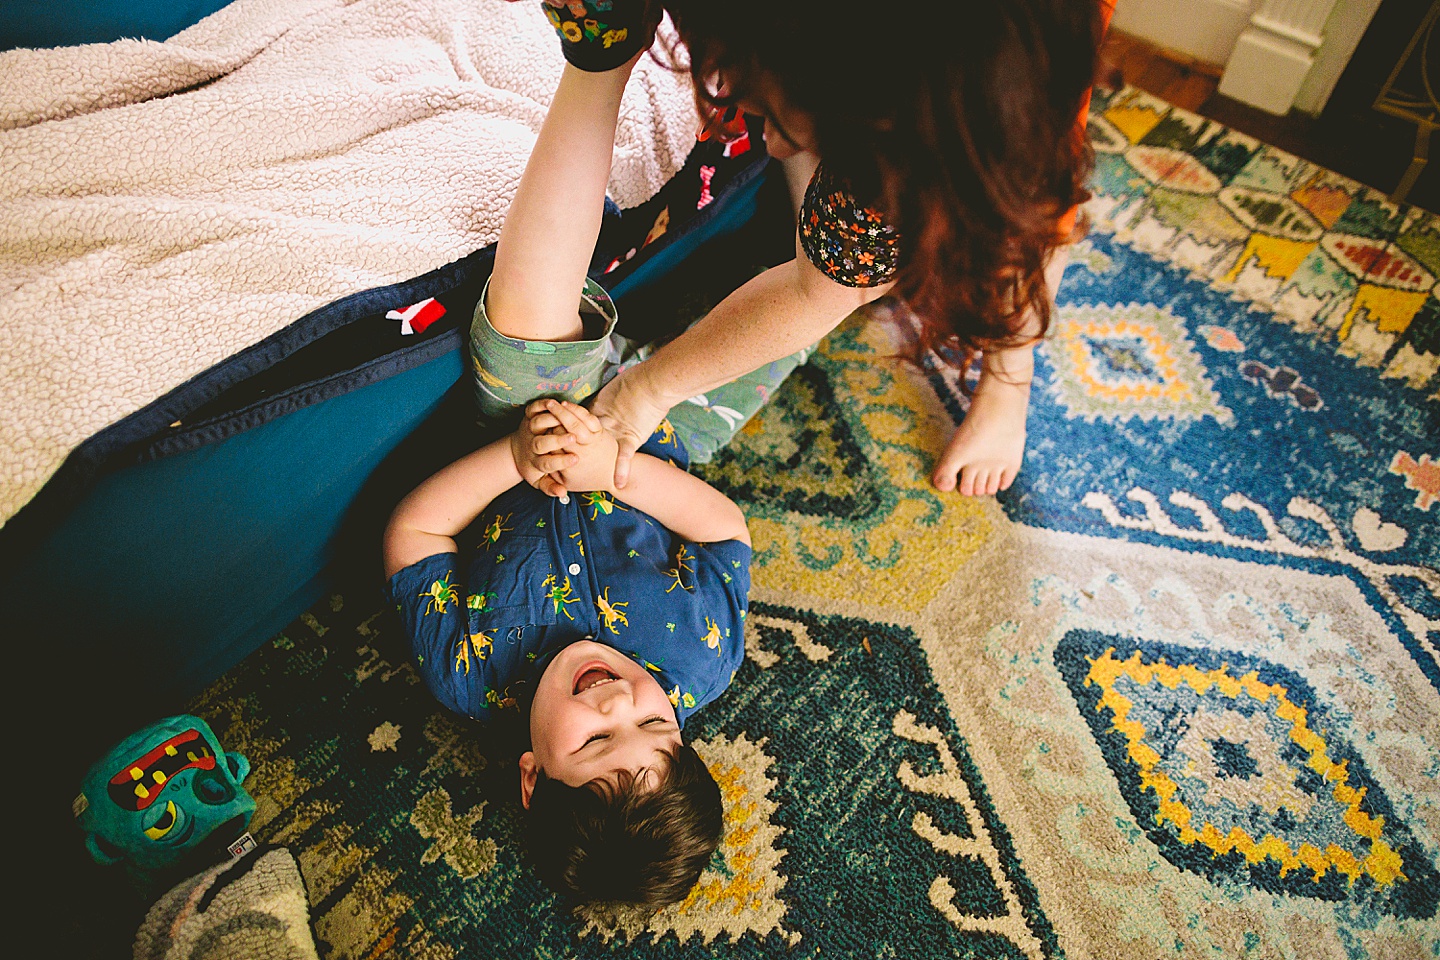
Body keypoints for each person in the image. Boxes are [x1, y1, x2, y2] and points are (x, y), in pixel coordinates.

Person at [382, 51, 792, 906]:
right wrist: (624, 470)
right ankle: (810, 141)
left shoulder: (469, 674)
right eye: (653, 727)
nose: (621, 703)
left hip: (527, 427)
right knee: (785, 324)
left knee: (521, 322)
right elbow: (723, 530)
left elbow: (412, 534)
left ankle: (597, 56)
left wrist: (517, 461)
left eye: (595, 742)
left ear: (532, 777)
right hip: (661, 444)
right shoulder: (700, 661)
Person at [532, 0, 1114, 497]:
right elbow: (821, 285)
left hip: (1006, 84)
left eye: (784, 122)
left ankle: (1010, 376)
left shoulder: (1008, 87)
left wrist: (646, 389)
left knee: (1024, 224)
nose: (773, 146)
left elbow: (825, 291)